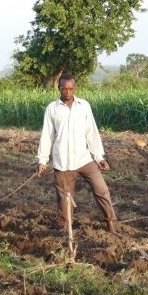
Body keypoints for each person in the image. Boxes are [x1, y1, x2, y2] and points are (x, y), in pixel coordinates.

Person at [36, 74, 118, 234]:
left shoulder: (84, 106)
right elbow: (47, 135)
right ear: (59, 88)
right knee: (65, 200)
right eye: (64, 88)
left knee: (102, 190)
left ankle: (111, 225)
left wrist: (99, 157)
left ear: (75, 88)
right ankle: (66, 231)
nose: (67, 92)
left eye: (70, 88)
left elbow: (91, 132)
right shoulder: (52, 108)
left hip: (84, 158)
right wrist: (42, 160)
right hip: (63, 161)